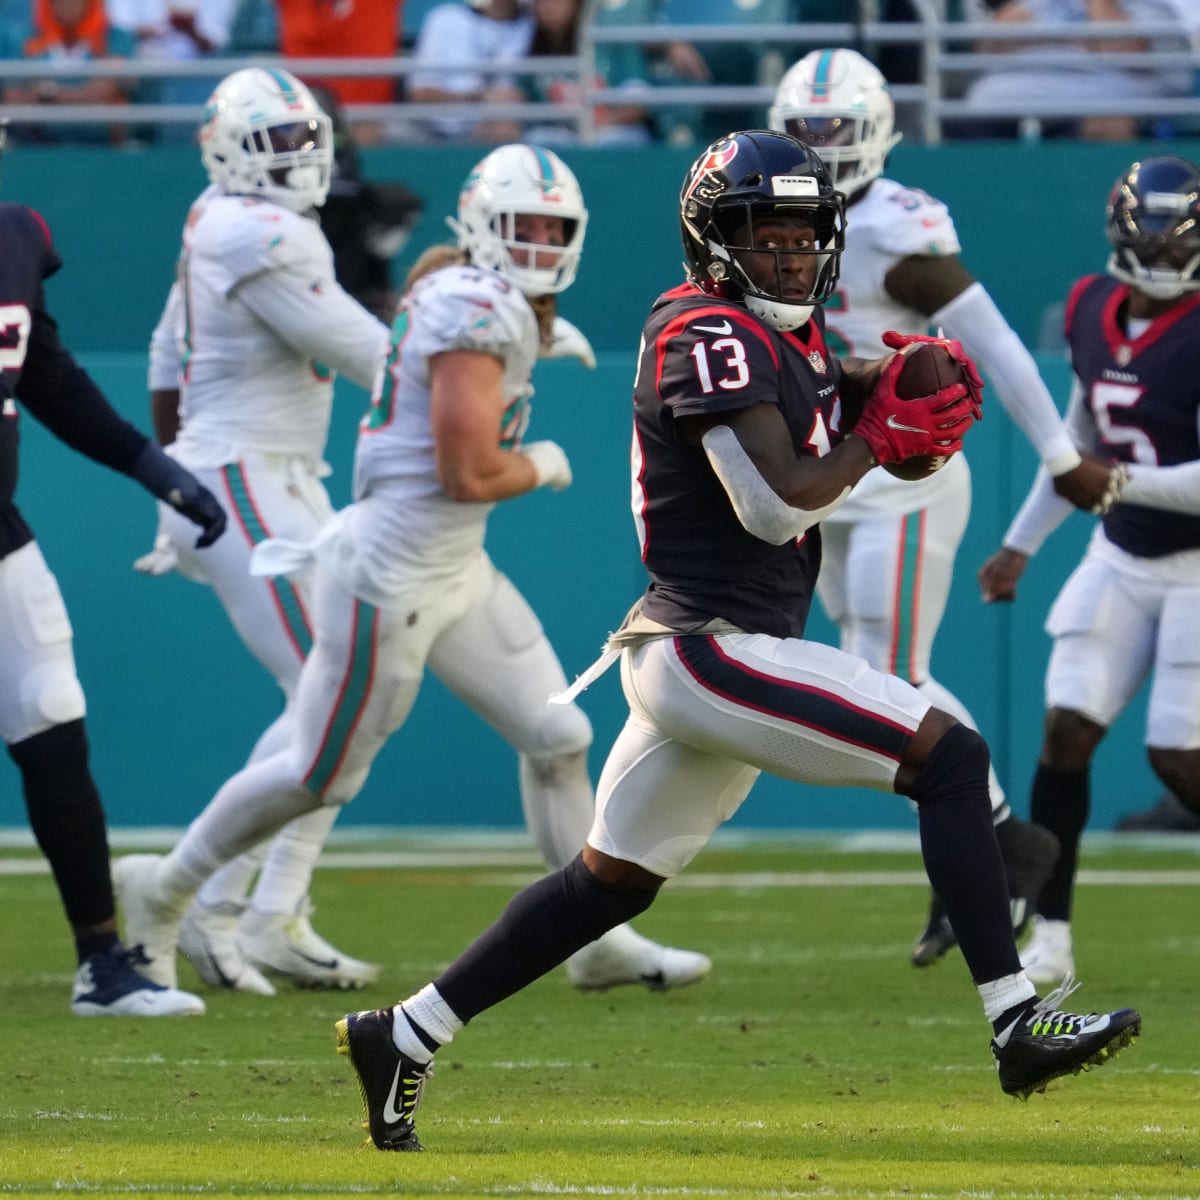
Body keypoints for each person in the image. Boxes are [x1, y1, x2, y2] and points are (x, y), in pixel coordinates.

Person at [333, 130, 1142, 1152]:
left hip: (712, 651)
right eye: (767, 235)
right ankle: (1017, 1022)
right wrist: (877, 439)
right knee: (953, 757)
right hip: (714, 647)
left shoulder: (778, 338)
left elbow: (820, 401)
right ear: (713, 241)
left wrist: (895, 385)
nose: (792, 256)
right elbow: (772, 504)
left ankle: (404, 1034)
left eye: (808, 234)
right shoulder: (701, 330)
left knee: (608, 884)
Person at [113, 142, 712, 1000]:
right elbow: (469, 472)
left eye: (554, 228)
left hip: (453, 566)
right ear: (480, 228)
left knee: (559, 737)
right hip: (390, 577)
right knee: (318, 775)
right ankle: (165, 889)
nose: (540, 243)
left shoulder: (472, 291)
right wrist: (544, 460)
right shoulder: (474, 305)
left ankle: (593, 941)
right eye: (522, 226)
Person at [766, 47, 1127, 968]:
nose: (817, 147)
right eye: (802, 131)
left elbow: (996, 342)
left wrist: (1056, 451)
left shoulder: (893, 226)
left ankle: (1001, 840)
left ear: (877, 132)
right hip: (830, 472)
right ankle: (989, 842)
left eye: (833, 131)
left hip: (903, 476)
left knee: (888, 674)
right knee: (873, 666)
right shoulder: (766, 212)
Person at [136, 66, 395, 994]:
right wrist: (476, 343)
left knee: (347, 702)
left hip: (264, 478)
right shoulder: (258, 229)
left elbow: (171, 349)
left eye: (304, 138)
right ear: (228, 151)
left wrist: (172, 470)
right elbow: (369, 354)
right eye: (276, 142)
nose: (298, 156)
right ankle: (200, 902)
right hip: (244, 479)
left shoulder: (215, 216)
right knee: (330, 695)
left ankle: (269, 910)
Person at [0, 117, 224, 1017]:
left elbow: (44, 374)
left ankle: (102, 962)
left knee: (52, 715)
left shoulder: (14, 234)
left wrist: (150, 464)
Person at [977, 154, 1200, 986]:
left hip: (1196, 567)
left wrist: (1115, 483)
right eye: (1154, 239)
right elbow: (1072, 443)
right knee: (1065, 733)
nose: (1166, 258)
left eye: (1180, 243)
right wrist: (1023, 541)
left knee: (1179, 759)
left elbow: (1107, 470)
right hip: (1121, 553)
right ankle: (1055, 937)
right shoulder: (1088, 305)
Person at [954, 0, 1196, 142]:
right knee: (975, 107)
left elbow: (1121, 47)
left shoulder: (1156, 6)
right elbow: (991, 44)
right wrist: (1076, 39)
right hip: (1009, 105)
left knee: (1110, 126)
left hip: (1110, 105)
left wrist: (1051, 39)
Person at [1, 0, 135, 146]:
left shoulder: (116, 38)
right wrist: (80, 94)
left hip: (100, 142)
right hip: (37, 141)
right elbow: (12, 96)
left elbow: (102, 91)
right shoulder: (25, 37)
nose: (68, 4)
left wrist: (47, 93)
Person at [406, 0, 534, 143]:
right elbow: (421, 94)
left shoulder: (533, 23)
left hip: (506, 127)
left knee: (503, 121)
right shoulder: (446, 19)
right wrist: (478, 97)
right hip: (436, 130)